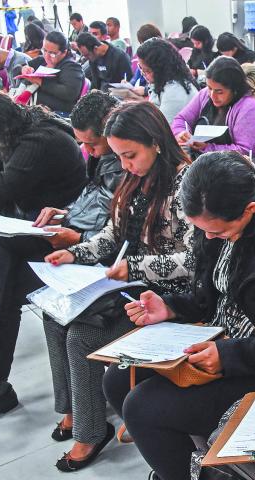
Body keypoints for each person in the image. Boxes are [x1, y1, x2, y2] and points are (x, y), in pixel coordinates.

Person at [103, 150, 255, 480]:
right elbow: (209, 297)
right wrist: (171, 307)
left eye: (218, 232)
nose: (209, 238)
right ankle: (180, 461)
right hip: (220, 342)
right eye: (202, 230)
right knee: (117, 378)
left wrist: (229, 356)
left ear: (250, 210)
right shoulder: (213, 226)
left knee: (143, 408)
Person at [0, 92, 121, 437]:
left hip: (88, 246)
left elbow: (10, 185)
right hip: (69, 229)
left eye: (91, 143)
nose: (87, 150)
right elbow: (96, 199)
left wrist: (72, 224)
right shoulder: (84, 146)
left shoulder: (55, 141)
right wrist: (69, 216)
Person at [42, 101, 194, 472]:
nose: (124, 165)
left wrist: (135, 268)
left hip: (168, 295)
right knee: (54, 313)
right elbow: (111, 236)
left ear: (156, 142)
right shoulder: (135, 179)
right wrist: (75, 254)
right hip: (132, 283)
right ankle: (74, 411)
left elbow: (193, 261)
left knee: (81, 335)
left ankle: (91, 431)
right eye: (119, 156)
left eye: (130, 155)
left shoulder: (186, 182)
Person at [172, 56, 255, 156]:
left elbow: (246, 151)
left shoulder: (250, 109)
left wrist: (207, 148)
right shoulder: (204, 95)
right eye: (209, 88)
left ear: (235, 89)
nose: (212, 95)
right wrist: (181, 133)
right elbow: (181, 119)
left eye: (219, 92)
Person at [19, 31, 85, 115]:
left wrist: (40, 81)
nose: (47, 56)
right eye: (45, 50)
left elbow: (69, 93)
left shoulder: (71, 67)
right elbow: (17, 68)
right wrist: (24, 69)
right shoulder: (41, 60)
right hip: (34, 107)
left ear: (64, 52)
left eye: (52, 53)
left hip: (57, 112)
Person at [136, 38, 199, 122]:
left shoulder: (175, 92)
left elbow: (164, 130)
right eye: (141, 68)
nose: (143, 74)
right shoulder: (163, 82)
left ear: (161, 69)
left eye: (147, 70)